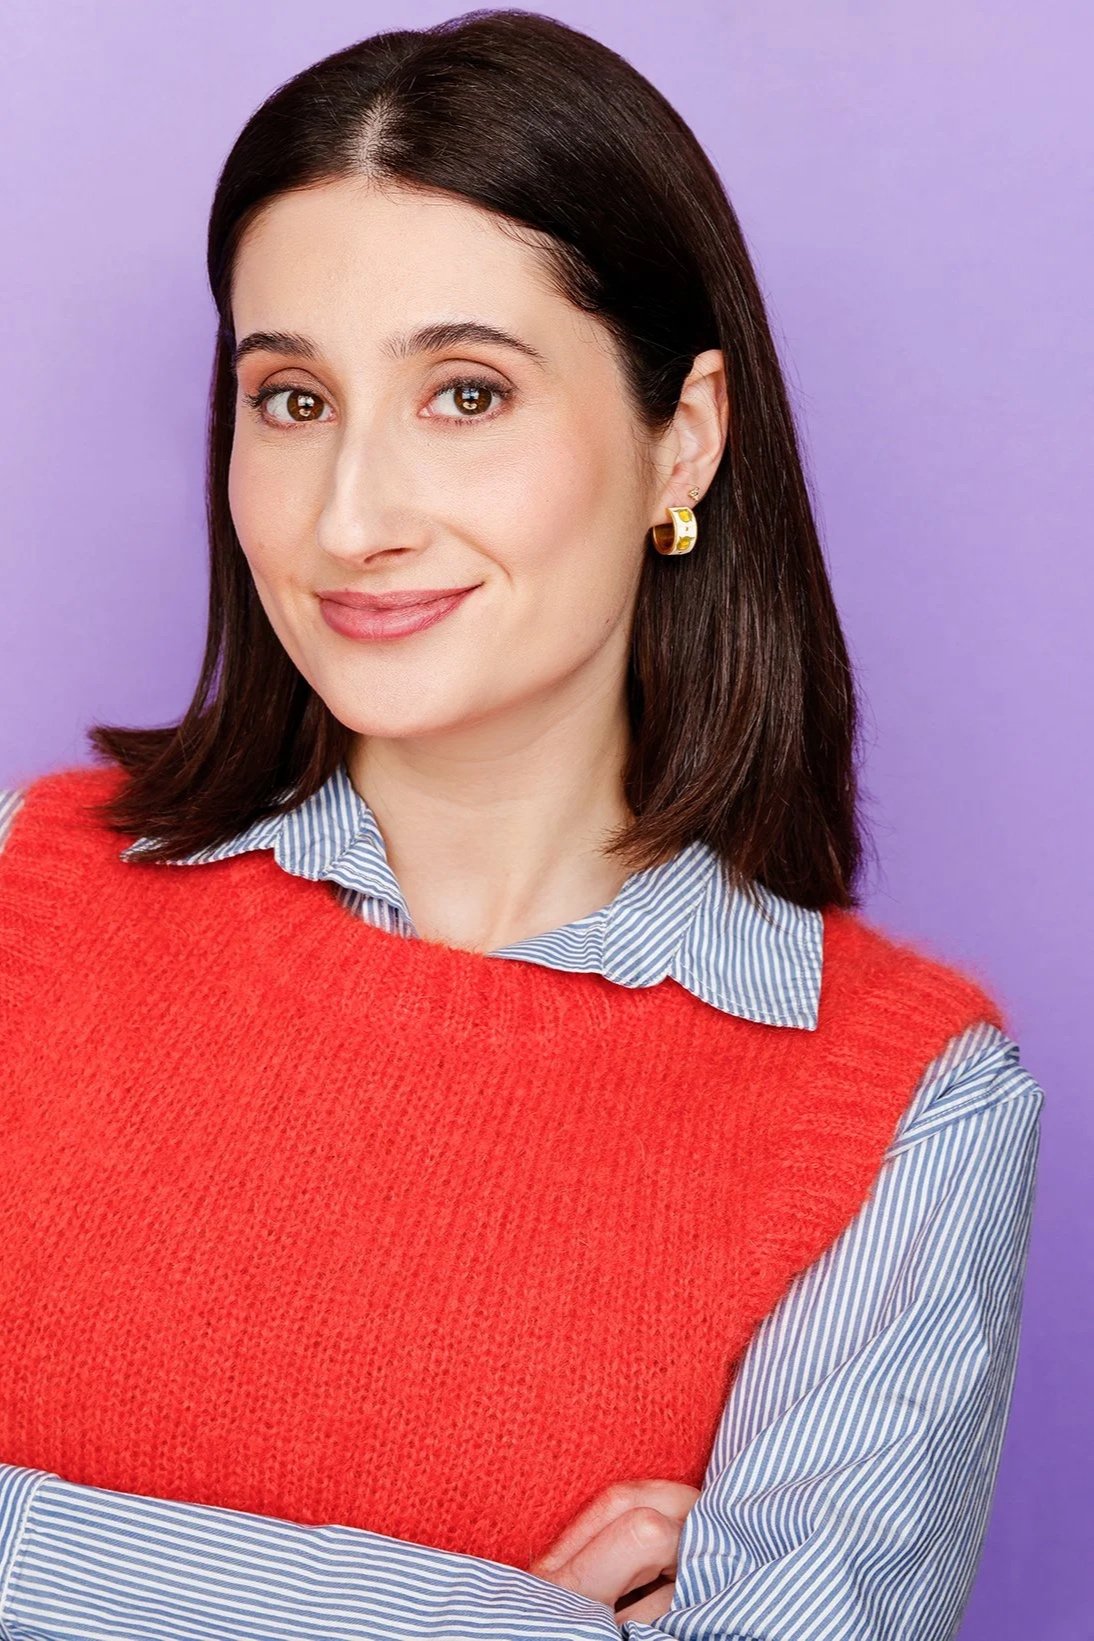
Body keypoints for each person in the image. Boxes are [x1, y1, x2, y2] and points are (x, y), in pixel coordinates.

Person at [0, 10, 1043, 1639]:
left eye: (465, 392)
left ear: (678, 436)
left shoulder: (907, 1111)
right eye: (290, 401)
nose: (350, 516)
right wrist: (488, 1619)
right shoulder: (26, 893)